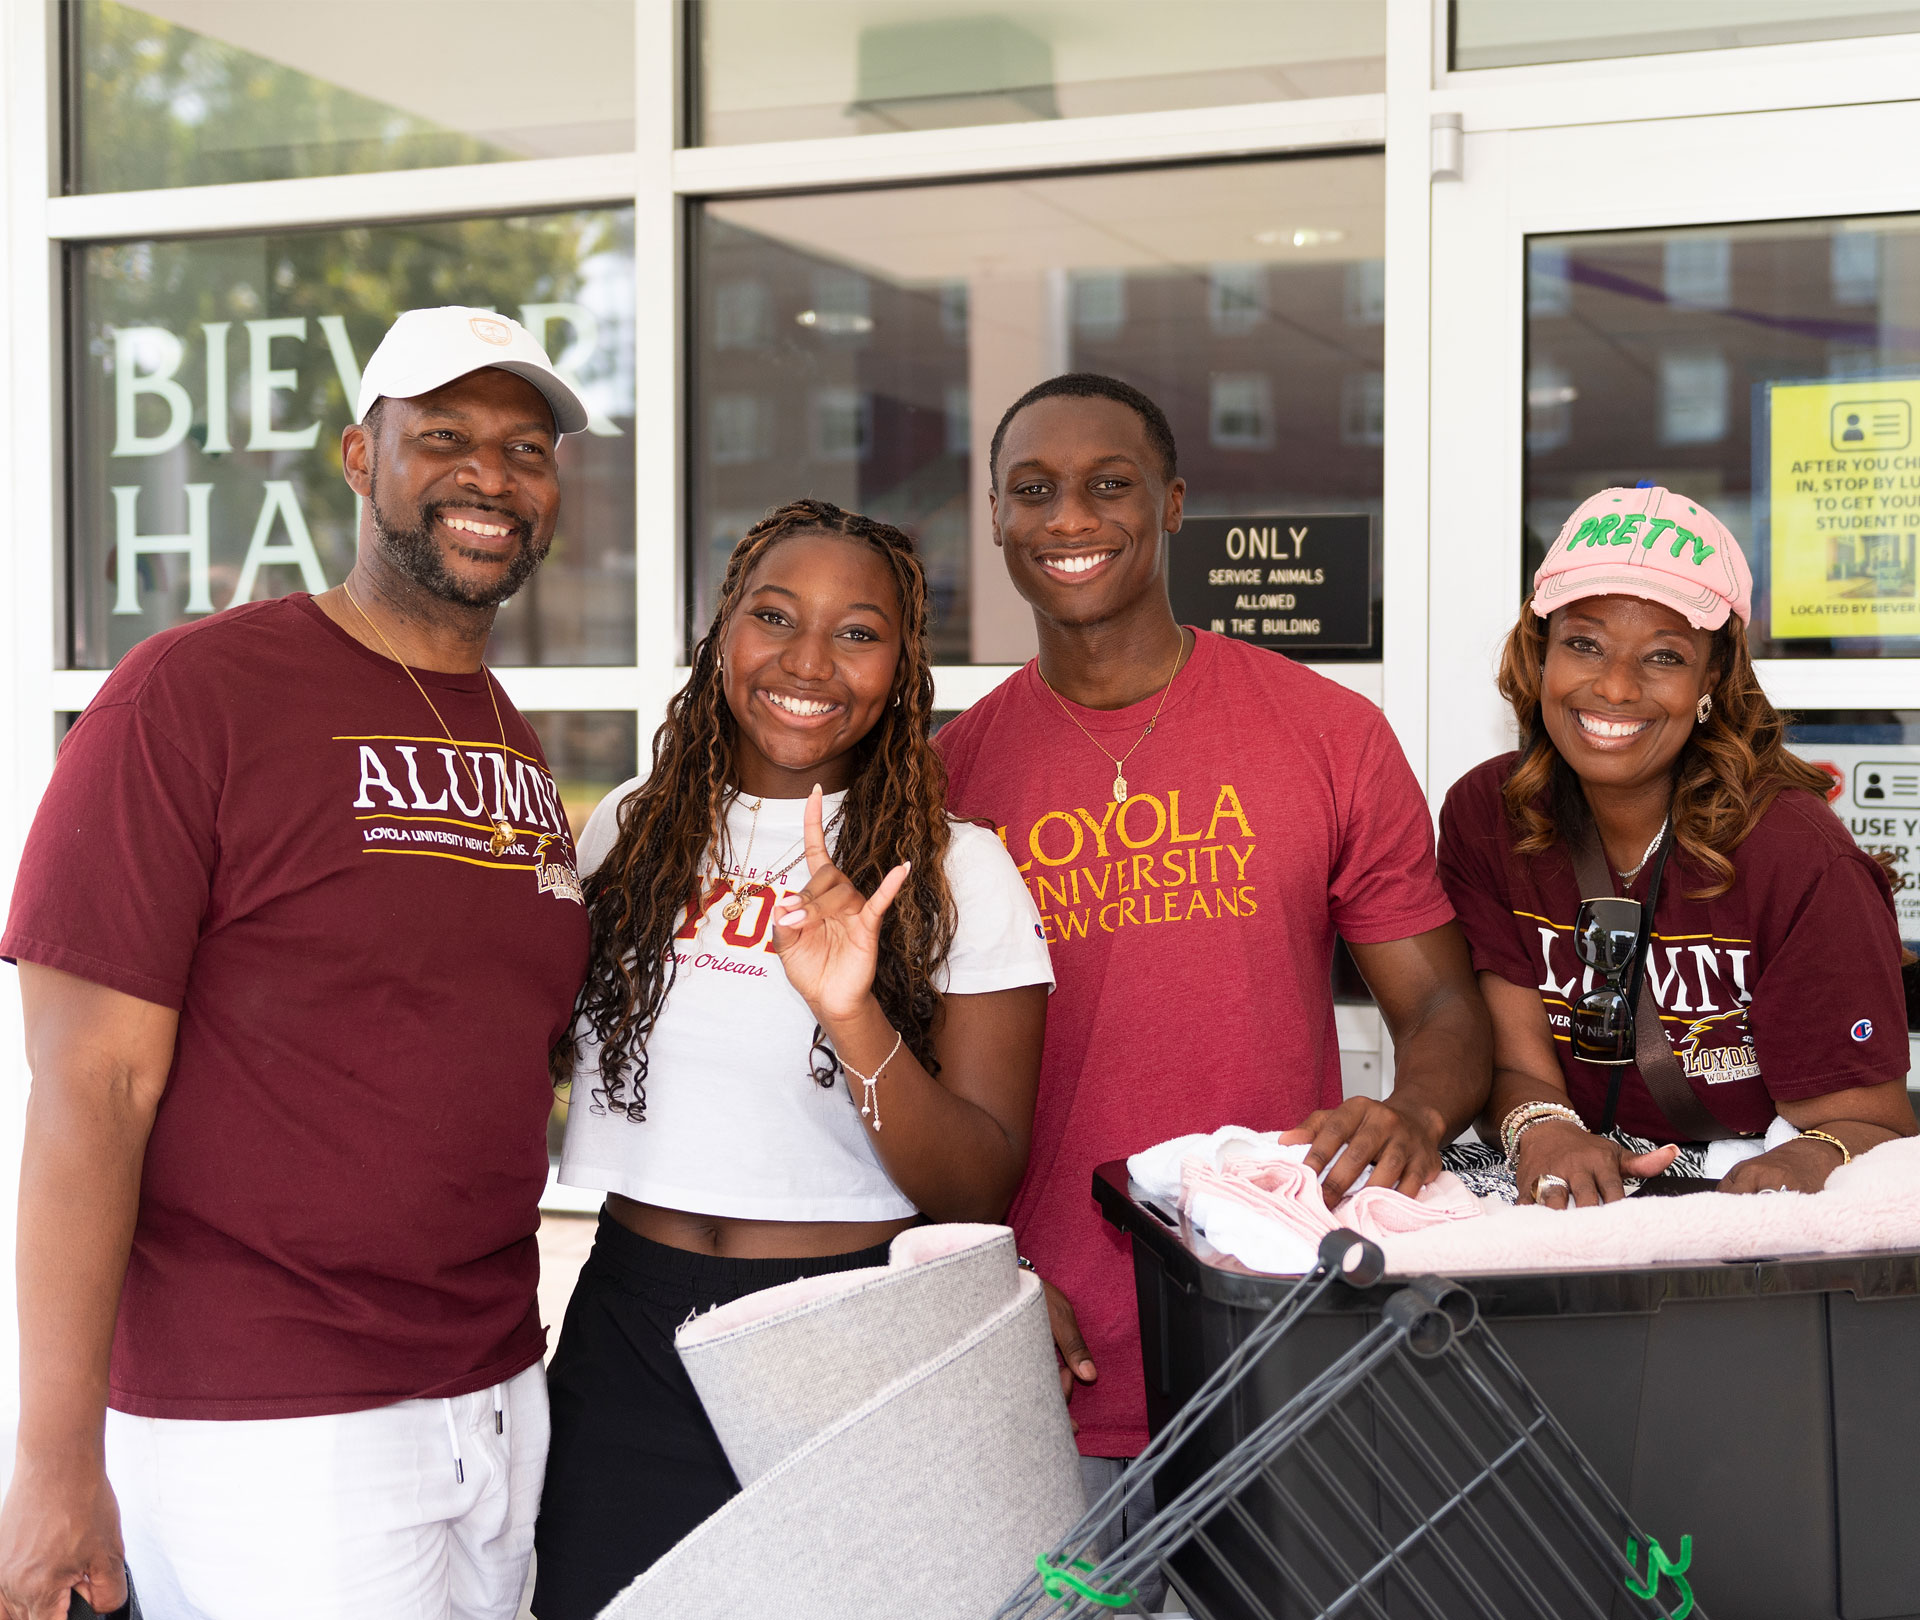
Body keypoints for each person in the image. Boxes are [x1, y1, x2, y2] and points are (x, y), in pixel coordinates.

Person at [0, 307, 592, 1620]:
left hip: (491, 1388)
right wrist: (51, 1463)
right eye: (444, 438)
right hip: (271, 1416)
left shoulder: (512, 743)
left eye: (526, 448)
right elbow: (89, 1089)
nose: (492, 478)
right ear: (357, 459)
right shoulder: (194, 697)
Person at [934, 374, 1492, 1497]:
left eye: (1110, 485)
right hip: (1047, 1348)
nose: (1070, 519)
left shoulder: (1328, 731)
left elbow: (1439, 1010)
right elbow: (907, 1086)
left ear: (1175, 503)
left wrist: (1416, 1112)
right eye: (1032, 490)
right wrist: (970, 1275)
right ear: (994, 517)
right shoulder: (947, 776)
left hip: (1286, 1320)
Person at [531, 498, 1053, 1620]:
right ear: (724, 632)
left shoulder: (958, 872)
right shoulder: (624, 830)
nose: (809, 660)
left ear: (904, 668)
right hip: (631, 1314)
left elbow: (979, 1183)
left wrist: (854, 1012)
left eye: (858, 631)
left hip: (846, 1330)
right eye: (775, 615)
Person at [1438, 485, 1917, 1205]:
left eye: (1663, 657)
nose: (1617, 687)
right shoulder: (1489, 813)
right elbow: (1519, 1068)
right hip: (1568, 1169)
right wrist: (1543, 1130)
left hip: (1738, 1176)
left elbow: (1869, 1122)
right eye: (1583, 644)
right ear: (1540, 656)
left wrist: (1799, 1167)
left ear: (1712, 678)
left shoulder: (1797, 853)